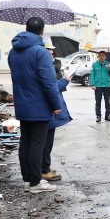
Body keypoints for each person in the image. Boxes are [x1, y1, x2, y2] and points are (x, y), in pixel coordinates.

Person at [8, 17, 61, 193]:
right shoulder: (41, 52)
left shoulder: (13, 52)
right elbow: (48, 83)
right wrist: (55, 104)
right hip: (39, 106)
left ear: (26, 28)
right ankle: (36, 183)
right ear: (42, 31)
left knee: (25, 142)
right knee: (38, 144)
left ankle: (28, 179)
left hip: (22, 104)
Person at [40, 43, 71, 183]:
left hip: (47, 108)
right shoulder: (43, 67)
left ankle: (45, 167)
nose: (52, 54)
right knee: (44, 143)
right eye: (49, 51)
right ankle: (43, 170)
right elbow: (50, 87)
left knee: (47, 141)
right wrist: (64, 81)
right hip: (47, 108)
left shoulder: (49, 66)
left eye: (53, 51)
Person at [90, 51, 110, 123]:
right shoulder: (95, 65)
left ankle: (107, 115)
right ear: (98, 56)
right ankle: (98, 115)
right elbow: (92, 75)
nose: (102, 57)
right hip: (98, 86)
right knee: (98, 101)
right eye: (100, 55)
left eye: (103, 56)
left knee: (107, 101)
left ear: (105, 57)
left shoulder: (108, 64)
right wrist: (93, 84)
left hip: (107, 85)